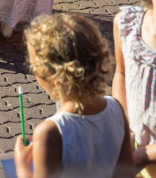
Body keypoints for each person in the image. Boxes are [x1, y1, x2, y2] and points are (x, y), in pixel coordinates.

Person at [14, 13, 133, 178]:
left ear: (52, 78)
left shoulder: (50, 132)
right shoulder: (116, 109)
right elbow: (126, 173)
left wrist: (21, 164)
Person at [113, 0, 156, 177]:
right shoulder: (126, 24)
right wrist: (124, 127)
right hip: (138, 157)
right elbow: (121, 73)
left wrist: (144, 155)